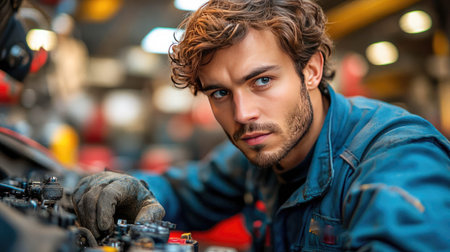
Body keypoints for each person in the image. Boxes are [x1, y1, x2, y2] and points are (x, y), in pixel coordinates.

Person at [72, 0, 450, 251]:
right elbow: (184, 192)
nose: (243, 114)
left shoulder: (399, 158)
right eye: (220, 93)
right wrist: (131, 190)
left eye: (262, 81)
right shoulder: (260, 154)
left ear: (312, 70)